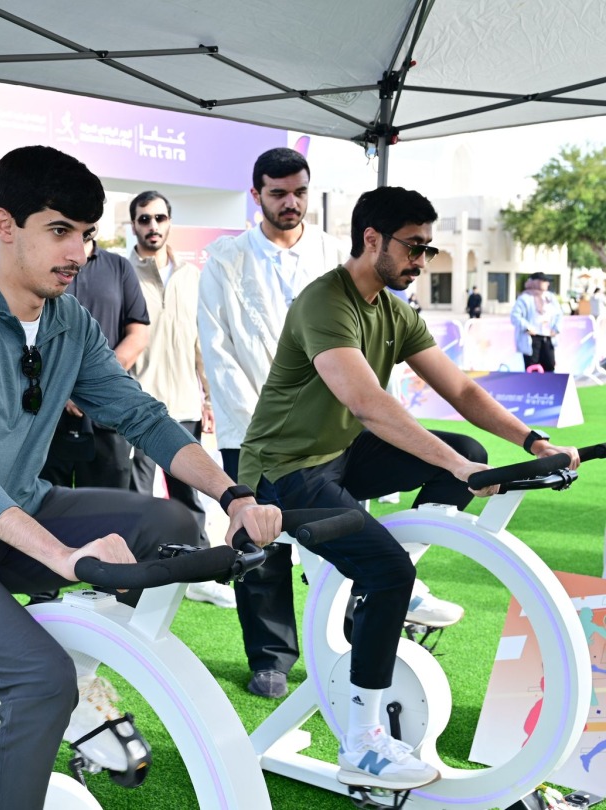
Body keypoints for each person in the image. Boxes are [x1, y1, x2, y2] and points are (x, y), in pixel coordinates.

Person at [0, 145, 283, 810]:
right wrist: (66, 558)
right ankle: (64, 688)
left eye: (85, 234)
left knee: (172, 522)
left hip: (15, 511)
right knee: (38, 680)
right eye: (59, 231)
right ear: (5, 226)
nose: (78, 252)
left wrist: (234, 493)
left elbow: (142, 415)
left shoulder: (69, 321)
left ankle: (82, 683)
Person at [238, 185, 581, 789]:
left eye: (429, 247)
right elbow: (368, 404)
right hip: (283, 471)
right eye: (414, 246)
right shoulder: (327, 301)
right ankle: (363, 742)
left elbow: (465, 393)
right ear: (372, 239)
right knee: (395, 556)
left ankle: (387, 587)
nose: (423, 259)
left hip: (339, 457)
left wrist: (532, 443)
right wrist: (456, 469)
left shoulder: (395, 310)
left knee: (469, 454)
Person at [201, 149, 461, 699]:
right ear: (257, 197)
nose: (290, 202)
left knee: (356, 542)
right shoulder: (225, 258)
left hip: (338, 430)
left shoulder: (335, 256)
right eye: (277, 193)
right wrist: (260, 432)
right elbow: (218, 350)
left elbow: (371, 379)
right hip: (257, 433)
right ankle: (271, 658)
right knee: (264, 555)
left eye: (298, 190)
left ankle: (379, 599)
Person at [127, 189, 233, 607]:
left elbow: (201, 344)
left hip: (185, 403)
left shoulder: (192, 276)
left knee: (189, 493)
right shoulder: (123, 272)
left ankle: (201, 573)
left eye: (158, 218)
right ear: (134, 225)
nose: (152, 226)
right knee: (136, 497)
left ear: (170, 222)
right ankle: (132, 574)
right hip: (137, 408)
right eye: (143, 219)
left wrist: (208, 397)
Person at [39, 239, 148, 489]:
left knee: (110, 514)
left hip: (108, 417)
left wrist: (91, 386)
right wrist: (63, 389)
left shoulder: (119, 267)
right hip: (48, 417)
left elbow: (138, 336)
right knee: (47, 516)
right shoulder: (42, 265)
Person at [511, 271, 562, 372]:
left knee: (549, 366)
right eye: (544, 281)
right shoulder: (525, 298)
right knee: (532, 368)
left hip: (548, 337)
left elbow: (559, 314)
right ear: (536, 282)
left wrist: (556, 328)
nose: (547, 284)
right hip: (532, 339)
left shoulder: (550, 297)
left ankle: (549, 387)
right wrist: (527, 327)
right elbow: (515, 316)